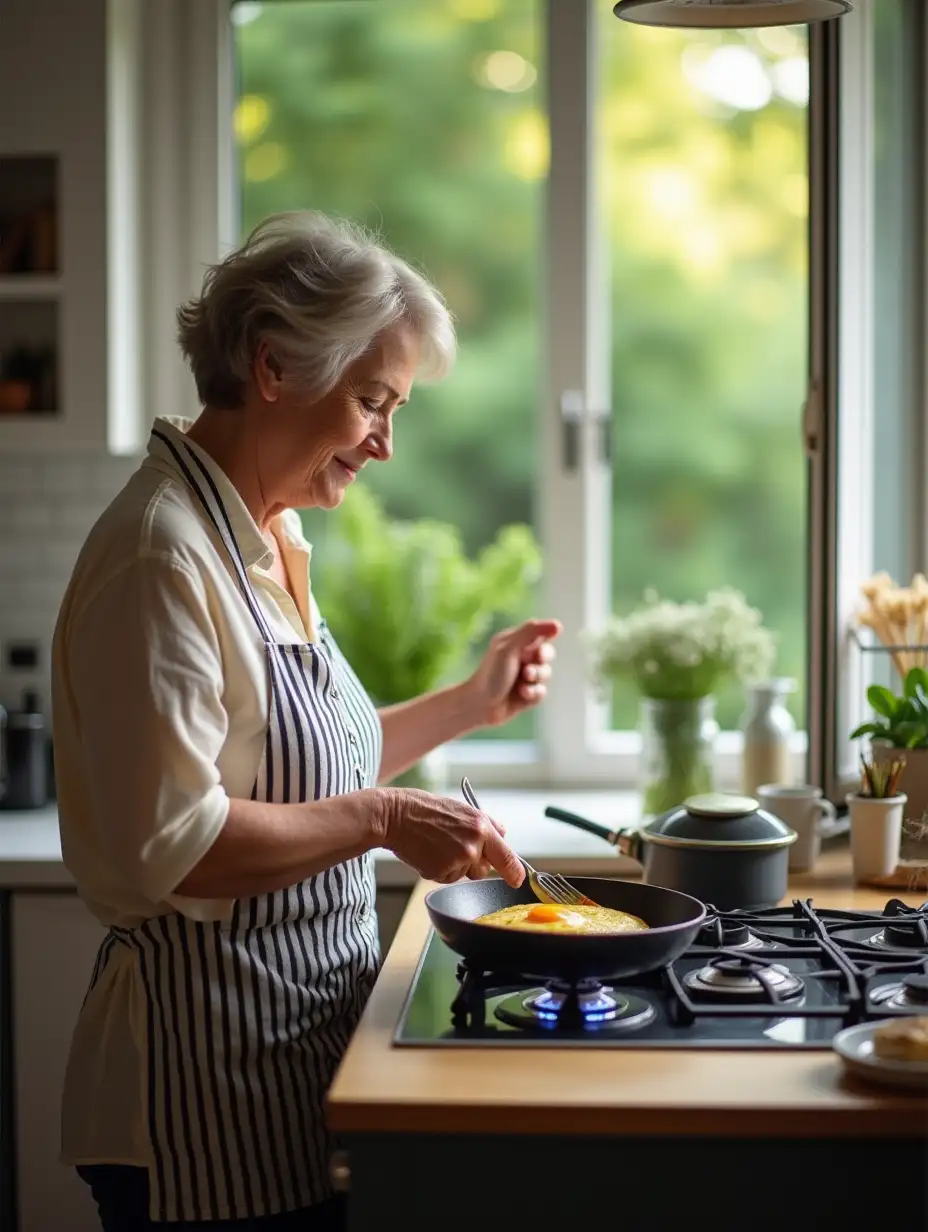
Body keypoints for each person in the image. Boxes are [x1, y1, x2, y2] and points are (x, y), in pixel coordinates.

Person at [51, 211, 560, 1231]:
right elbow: (178, 844)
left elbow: (306, 759)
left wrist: (472, 701)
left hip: (290, 1062)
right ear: (275, 367)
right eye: (372, 401)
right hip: (197, 1091)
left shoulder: (265, 533)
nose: (383, 442)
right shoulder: (165, 554)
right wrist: (381, 819)